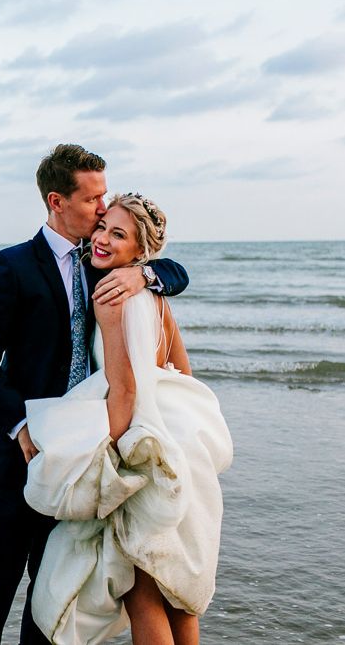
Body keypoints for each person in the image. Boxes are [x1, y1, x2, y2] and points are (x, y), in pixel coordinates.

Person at [0, 145, 190, 645]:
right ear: (56, 201)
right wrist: (21, 428)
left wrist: (143, 273)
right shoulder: (13, 265)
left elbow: (175, 272)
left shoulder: (102, 259)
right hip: (16, 456)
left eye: (105, 197)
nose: (103, 210)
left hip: (81, 457)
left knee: (52, 591)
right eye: (92, 200)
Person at [24, 194, 234, 644]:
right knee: (177, 593)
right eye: (102, 227)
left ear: (140, 251)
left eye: (117, 234)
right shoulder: (156, 300)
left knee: (142, 593)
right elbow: (183, 375)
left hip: (141, 450)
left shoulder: (112, 296)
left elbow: (125, 390)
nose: (100, 238)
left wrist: (112, 466)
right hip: (179, 449)